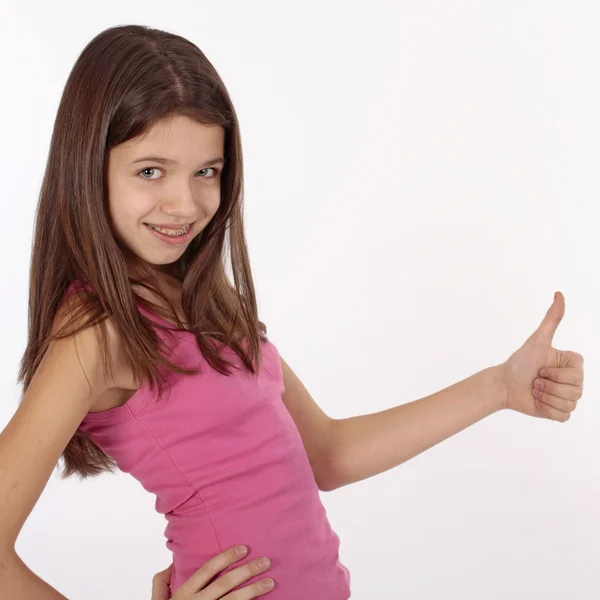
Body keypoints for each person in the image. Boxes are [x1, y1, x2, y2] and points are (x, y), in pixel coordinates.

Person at [0, 23, 584, 600]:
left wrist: (499, 389)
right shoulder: (95, 332)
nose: (185, 204)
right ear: (88, 167)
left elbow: (327, 454)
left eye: (207, 171)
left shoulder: (203, 295)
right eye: (151, 171)